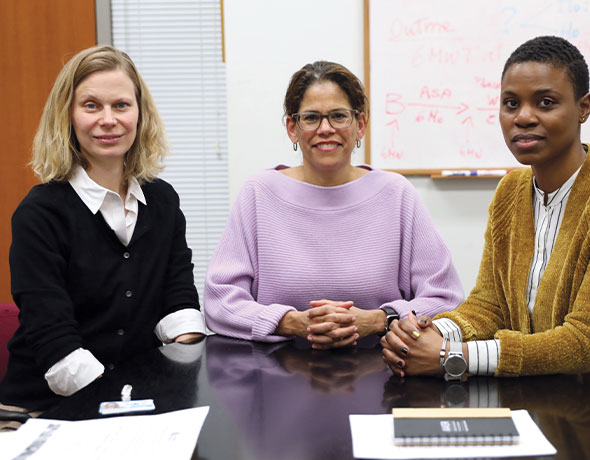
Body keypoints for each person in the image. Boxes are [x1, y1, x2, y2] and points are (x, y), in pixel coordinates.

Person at [381, 36, 590, 422]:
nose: (523, 117)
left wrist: (453, 357)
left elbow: (585, 343)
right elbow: (489, 306)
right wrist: (423, 334)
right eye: (511, 103)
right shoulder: (510, 192)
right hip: (545, 401)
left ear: (583, 108)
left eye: (546, 102)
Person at [0, 45, 206, 414]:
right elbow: (53, 338)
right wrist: (121, 407)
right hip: (44, 404)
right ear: (68, 116)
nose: (108, 119)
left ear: (140, 115)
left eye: (121, 105)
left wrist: (187, 373)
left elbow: (179, 304)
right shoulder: (40, 213)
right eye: (91, 105)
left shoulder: (163, 201)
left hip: (138, 397)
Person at [204, 61, 463, 349]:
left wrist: (379, 319)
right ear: (292, 128)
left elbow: (446, 298)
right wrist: (290, 322)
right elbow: (220, 301)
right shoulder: (259, 194)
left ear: (360, 125)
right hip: (276, 377)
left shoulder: (397, 194)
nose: (325, 129)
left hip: (386, 377)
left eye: (339, 116)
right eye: (311, 118)